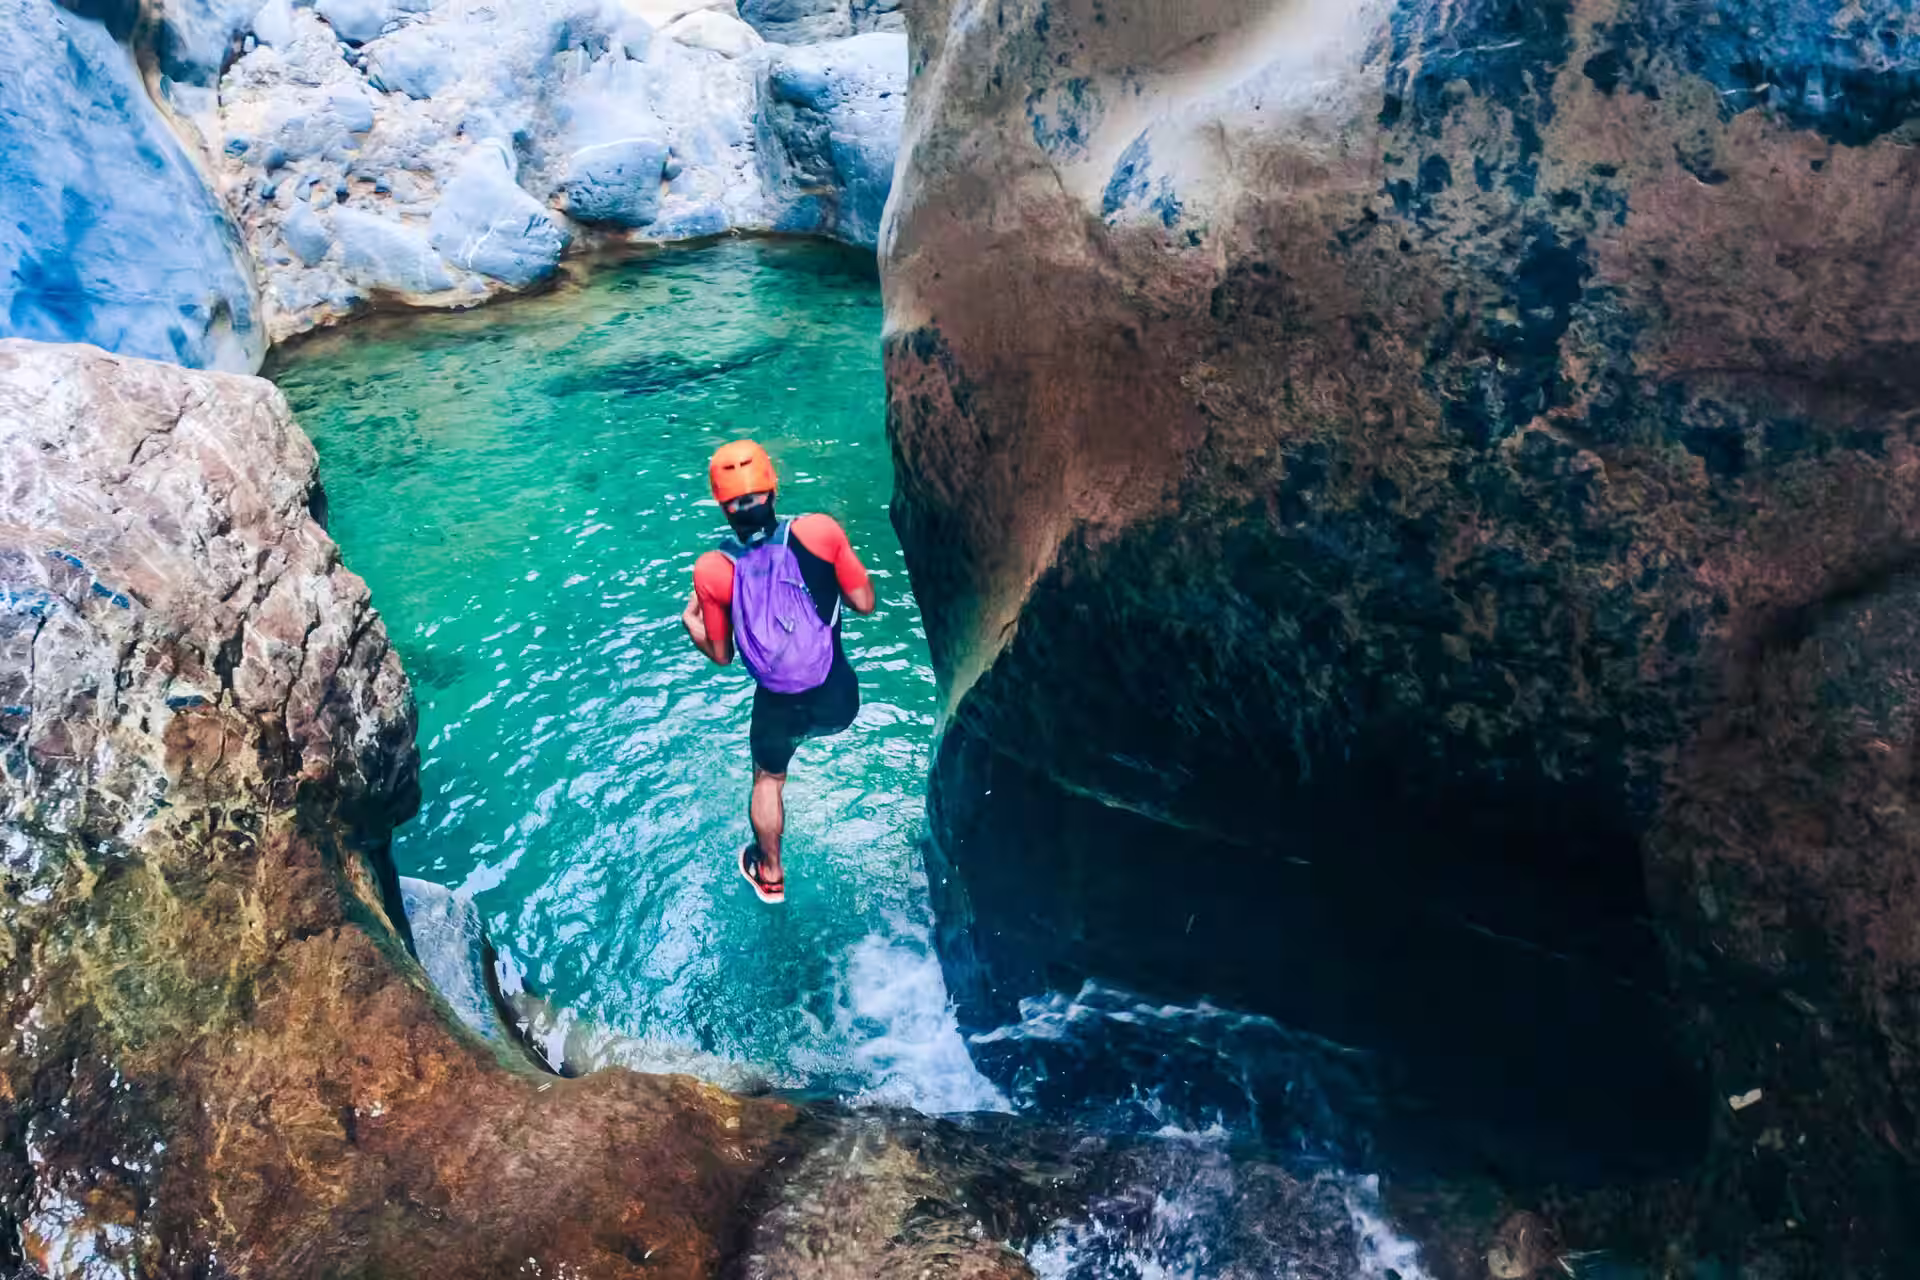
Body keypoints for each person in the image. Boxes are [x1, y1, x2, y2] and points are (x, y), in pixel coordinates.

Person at [681, 439, 876, 904]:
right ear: (773, 487)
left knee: (767, 779)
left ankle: (770, 873)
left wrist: (692, 622)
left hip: (777, 707)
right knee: (812, 719)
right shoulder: (820, 532)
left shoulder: (711, 569)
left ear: (721, 503)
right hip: (837, 700)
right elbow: (865, 603)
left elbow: (722, 654)